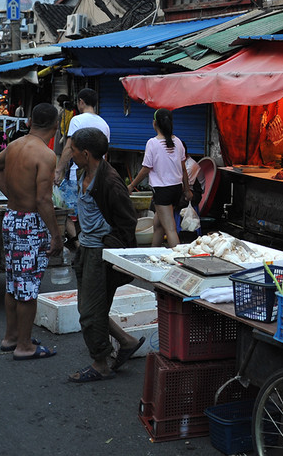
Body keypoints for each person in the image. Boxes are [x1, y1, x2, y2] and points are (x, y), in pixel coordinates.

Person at [66, 127, 145, 382]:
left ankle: (100, 363)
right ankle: (127, 341)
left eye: (74, 150)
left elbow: (127, 222)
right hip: (86, 249)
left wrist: (108, 248)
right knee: (89, 308)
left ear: (86, 154)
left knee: (90, 312)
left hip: (100, 253)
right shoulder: (83, 172)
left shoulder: (110, 182)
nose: (71, 154)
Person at [0, 103, 63, 361]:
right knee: (28, 288)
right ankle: (24, 346)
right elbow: (43, 199)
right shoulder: (46, 154)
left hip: (12, 218)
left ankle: (12, 337)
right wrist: (56, 234)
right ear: (55, 127)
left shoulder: (15, 145)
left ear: (30, 121)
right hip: (30, 224)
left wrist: (13, 194)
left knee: (13, 284)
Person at [54, 89, 111, 246]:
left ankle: (79, 243)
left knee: (63, 209)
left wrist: (58, 170)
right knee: (90, 210)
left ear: (81, 102)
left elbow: (68, 148)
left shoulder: (77, 120)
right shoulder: (104, 123)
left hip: (77, 173)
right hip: (98, 174)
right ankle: (86, 241)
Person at [128, 109, 191, 248]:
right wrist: (187, 190)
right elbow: (183, 169)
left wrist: (131, 185)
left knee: (170, 229)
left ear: (154, 123)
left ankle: (178, 260)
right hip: (176, 189)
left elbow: (145, 169)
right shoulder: (178, 142)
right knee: (158, 225)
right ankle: (153, 252)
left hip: (162, 191)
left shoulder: (153, 143)